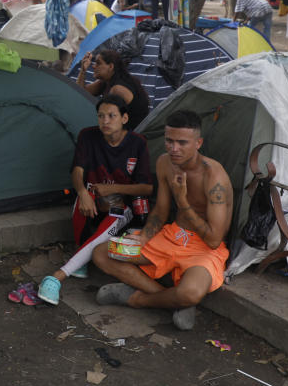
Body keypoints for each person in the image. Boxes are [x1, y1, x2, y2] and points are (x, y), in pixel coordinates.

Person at [90, 109, 233, 331]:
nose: (174, 148)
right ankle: (170, 301)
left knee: (190, 292)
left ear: (198, 143)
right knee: (102, 253)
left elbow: (214, 240)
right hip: (171, 237)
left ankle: (138, 299)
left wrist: (183, 200)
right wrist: (144, 237)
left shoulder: (214, 177)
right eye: (169, 141)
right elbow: (161, 210)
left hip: (203, 249)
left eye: (182, 142)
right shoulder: (165, 162)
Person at [36, 95, 153, 306]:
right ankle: (82, 254)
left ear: (124, 118)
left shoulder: (137, 143)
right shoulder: (88, 136)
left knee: (111, 221)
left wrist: (114, 188)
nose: (105, 121)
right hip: (92, 196)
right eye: (101, 116)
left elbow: (146, 187)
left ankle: (56, 277)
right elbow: (77, 169)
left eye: (111, 116)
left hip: (121, 205)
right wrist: (81, 192)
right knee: (85, 200)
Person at [76, 49, 150, 130]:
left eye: (98, 63)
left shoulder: (118, 89)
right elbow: (80, 93)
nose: (93, 66)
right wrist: (83, 70)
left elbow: (109, 121)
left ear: (111, 66)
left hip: (132, 135)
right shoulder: (105, 82)